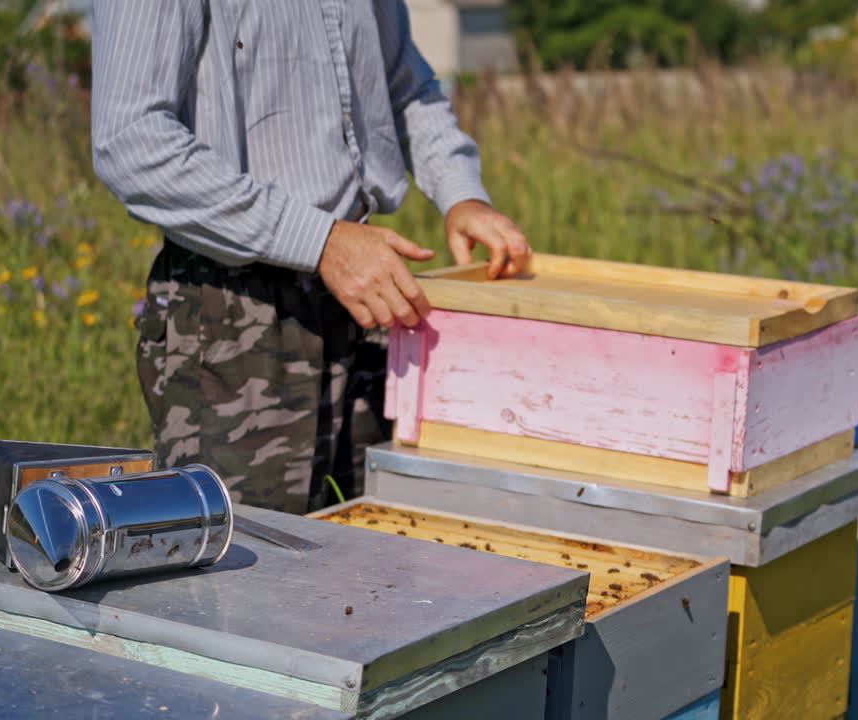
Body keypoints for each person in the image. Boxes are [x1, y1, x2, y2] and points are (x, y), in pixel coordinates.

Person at [90, 1, 531, 514]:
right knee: (249, 573)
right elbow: (130, 143)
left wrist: (460, 192)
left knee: (380, 559)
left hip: (364, 299)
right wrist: (320, 241)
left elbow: (403, 84)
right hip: (233, 311)